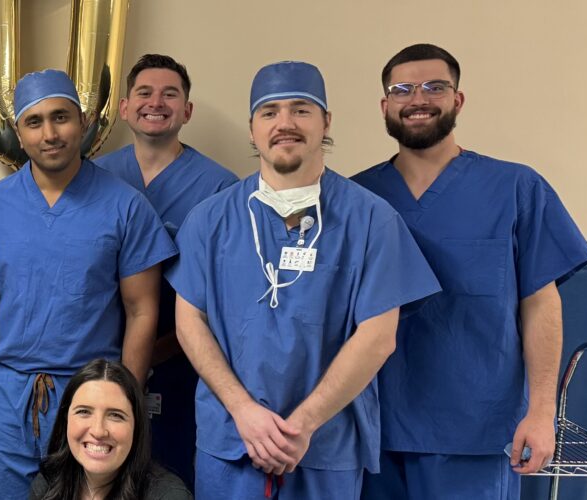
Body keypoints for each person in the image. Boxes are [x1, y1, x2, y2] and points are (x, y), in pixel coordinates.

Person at [168, 61, 441, 499]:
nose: (285, 124)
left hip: (325, 444)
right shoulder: (210, 219)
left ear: (326, 121)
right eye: (270, 112)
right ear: (253, 128)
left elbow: (378, 336)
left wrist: (304, 424)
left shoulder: (370, 220)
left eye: (301, 110)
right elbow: (189, 321)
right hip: (231, 440)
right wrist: (243, 411)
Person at [352, 44, 587, 500]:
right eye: (402, 89)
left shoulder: (516, 187)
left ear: (457, 100)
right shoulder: (356, 197)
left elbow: (541, 302)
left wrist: (543, 413)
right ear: (385, 106)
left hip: (477, 430)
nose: (418, 99)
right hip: (372, 429)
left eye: (434, 86)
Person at [0, 68, 176, 499]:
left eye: (61, 117)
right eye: (35, 121)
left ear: (83, 123)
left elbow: (142, 311)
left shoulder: (126, 207)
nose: (50, 133)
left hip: (90, 395)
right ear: (19, 132)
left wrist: (127, 400)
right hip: (8, 398)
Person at [93, 53, 238, 484]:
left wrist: (159, 352)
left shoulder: (220, 189)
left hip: (182, 363)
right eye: (144, 92)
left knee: (167, 475)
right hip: (99, 357)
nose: (156, 102)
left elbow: (224, 297)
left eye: (170, 94)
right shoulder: (94, 178)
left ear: (187, 111)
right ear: (123, 108)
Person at [31, 359, 193, 500]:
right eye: (84, 412)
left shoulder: (169, 496)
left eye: (115, 415)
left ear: (137, 426)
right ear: (66, 420)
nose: (98, 431)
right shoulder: (48, 482)